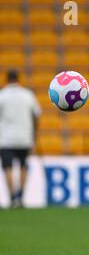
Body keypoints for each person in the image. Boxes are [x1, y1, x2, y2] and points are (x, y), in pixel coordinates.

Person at [0, 70, 41, 208]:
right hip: (25, 137)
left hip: (6, 139)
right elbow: (36, 114)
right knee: (23, 166)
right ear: (18, 79)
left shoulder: (2, 95)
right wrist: (34, 135)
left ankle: (12, 198)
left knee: (8, 167)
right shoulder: (28, 95)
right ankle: (21, 196)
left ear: (7, 79)